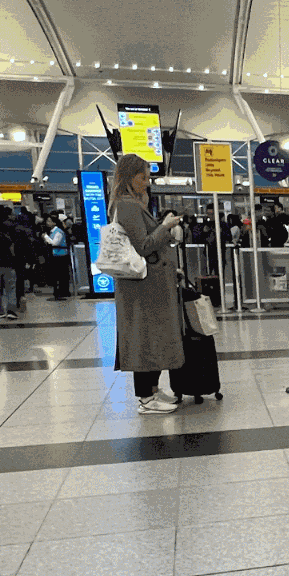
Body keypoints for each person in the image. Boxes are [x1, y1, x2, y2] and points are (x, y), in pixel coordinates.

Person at [110, 153, 184, 412]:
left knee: (152, 337)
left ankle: (152, 390)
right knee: (144, 337)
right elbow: (143, 246)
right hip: (142, 288)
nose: (148, 182)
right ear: (129, 177)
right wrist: (165, 226)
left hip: (147, 287)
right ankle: (146, 396)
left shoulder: (132, 204)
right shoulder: (127, 206)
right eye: (143, 177)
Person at [47, 215, 72, 301]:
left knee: (62, 274)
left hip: (61, 256)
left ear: (54, 223)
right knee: (58, 274)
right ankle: (59, 291)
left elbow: (55, 243)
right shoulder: (52, 232)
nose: (47, 223)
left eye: (49, 221)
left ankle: (63, 291)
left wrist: (45, 238)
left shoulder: (58, 232)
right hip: (56, 255)